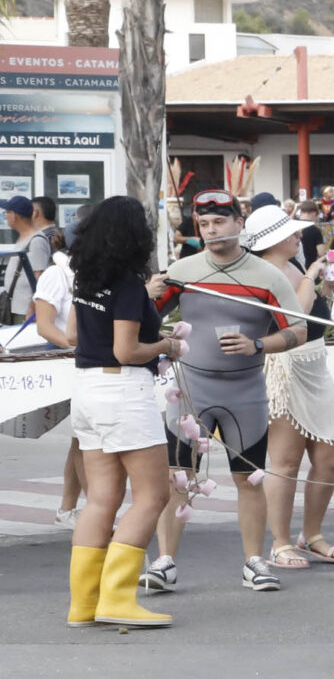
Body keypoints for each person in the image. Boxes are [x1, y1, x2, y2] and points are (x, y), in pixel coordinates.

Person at [156, 189, 310, 592]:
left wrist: (258, 344)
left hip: (246, 391)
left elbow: (299, 329)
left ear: (240, 224)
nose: (212, 231)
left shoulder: (269, 276)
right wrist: (150, 294)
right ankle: (165, 562)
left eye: (220, 222)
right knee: (179, 477)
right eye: (204, 224)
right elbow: (141, 316)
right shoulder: (182, 270)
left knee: (250, 479)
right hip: (191, 388)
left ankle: (254, 562)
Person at [63, 195, 179, 628]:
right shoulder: (129, 283)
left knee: (102, 499)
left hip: (88, 390)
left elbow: (75, 334)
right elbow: (127, 351)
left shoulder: (85, 277)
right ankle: (116, 598)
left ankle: (84, 604)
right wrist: (168, 345)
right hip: (123, 389)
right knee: (153, 495)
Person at [243, 204, 334, 570]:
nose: (299, 236)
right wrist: (310, 279)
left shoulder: (296, 267)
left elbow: (317, 314)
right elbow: (292, 320)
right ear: (272, 240)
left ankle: (312, 534)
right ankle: (281, 541)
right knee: (285, 461)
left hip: (315, 363)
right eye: (291, 233)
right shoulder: (262, 272)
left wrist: (326, 287)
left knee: (330, 457)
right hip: (283, 366)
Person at [27, 247, 85, 525]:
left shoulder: (103, 270)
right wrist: (76, 347)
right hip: (71, 365)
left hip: (94, 364)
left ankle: (68, 509)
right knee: (86, 438)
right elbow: (44, 326)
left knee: (83, 438)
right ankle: (95, 510)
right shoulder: (57, 274)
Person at [4, 193, 55, 322]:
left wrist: (32, 309)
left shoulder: (36, 241)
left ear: (14, 215)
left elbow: (39, 277)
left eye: (7, 212)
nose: (5, 216)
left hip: (24, 310)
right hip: (14, 306)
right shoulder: (24, 237)